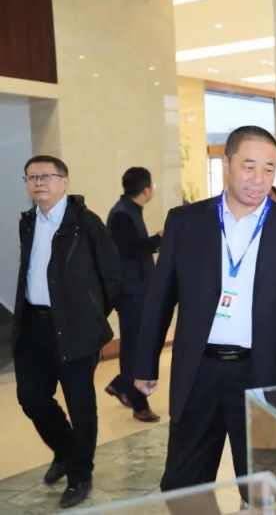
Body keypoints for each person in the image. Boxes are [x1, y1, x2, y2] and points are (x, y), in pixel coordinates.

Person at [133, 126, 276, 498]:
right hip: (198, 371)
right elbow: (160, 297)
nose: (259, 179)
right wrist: (145, 363)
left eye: (269, 169)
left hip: (265, 372)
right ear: (227, 164)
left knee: (264, 488)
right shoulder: (185, 222)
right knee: (183, 486)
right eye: (249, 167)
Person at [12, 155, 121, 509]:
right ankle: (65, 450)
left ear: (64, 181)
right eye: (32, 177)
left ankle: (80, 475)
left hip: (75, 329)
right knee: (31, 398)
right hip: (34, 326)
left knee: (80, 404)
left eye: (46, 176)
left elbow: (112, 277)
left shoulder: (86, 223)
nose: (38, 182)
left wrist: (91, 316)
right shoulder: (29, 222)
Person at [104, 167, 162, 422]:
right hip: (131, 292)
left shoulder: (129, 210)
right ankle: (138, 403)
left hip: (137, 290)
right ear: (146, 190)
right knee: (136, 349)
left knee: (136, 346)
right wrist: (157, 240)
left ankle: (121, 385)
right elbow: (128, 251)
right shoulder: (122, 215)